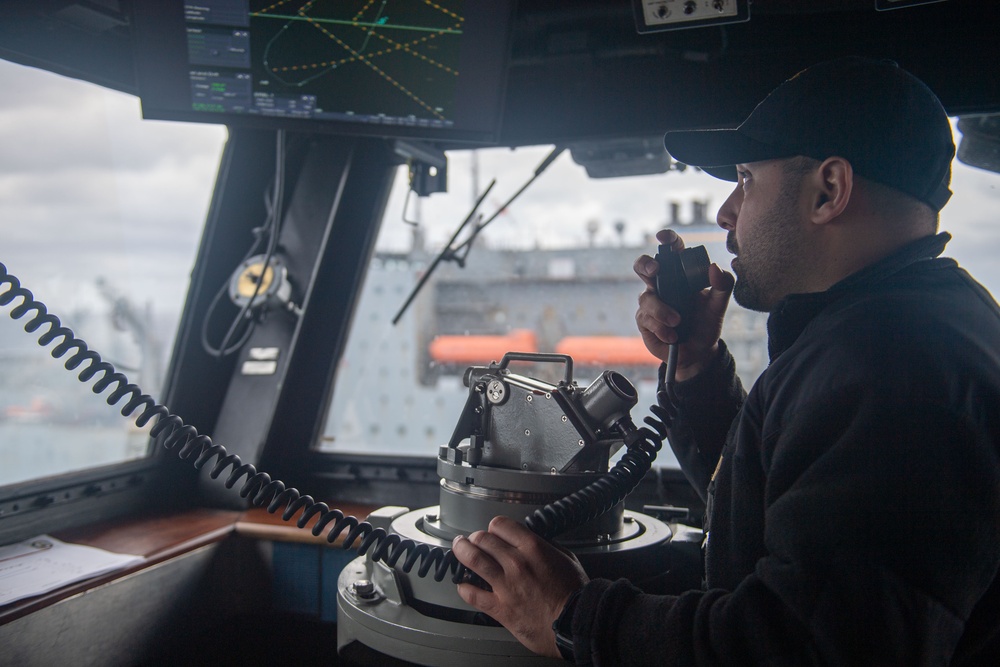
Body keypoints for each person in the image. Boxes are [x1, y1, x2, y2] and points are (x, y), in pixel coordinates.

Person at [451, 56, 1000, 665]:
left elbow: (798, 647)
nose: (726, 214)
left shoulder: (891, 371)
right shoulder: (901, 330)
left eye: (745, 179)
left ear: (829, 190)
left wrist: (571, 615)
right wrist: (697, 366)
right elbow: (784, 511)